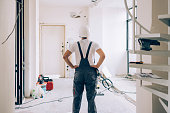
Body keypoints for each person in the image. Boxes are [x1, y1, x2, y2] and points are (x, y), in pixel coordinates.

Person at [63, 25, 105, 113]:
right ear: (88, 34)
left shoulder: (75, 44)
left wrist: (72, 66)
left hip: (79, 72)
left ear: (79, 34)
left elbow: (65, 56)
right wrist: (97, 65)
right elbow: (103, 55)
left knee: (77, 97)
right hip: (91, 73)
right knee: (91, 98)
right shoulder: (94, 44)